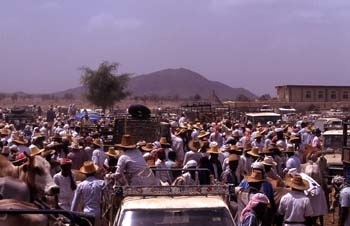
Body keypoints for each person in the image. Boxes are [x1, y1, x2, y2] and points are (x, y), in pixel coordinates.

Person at [71, 161, 104, 226]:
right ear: (94, 172)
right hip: (97, 213)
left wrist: (71, 214)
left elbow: (75, 202)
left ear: (85, 174)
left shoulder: (81, 185)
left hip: (86, 213)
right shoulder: (101, 183)